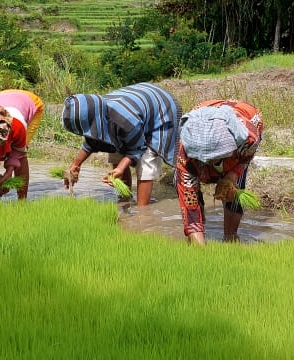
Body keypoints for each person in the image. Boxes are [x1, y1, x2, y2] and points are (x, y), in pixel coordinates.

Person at [61, 83, 181, 206]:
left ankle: (142, 211)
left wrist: (120, 168)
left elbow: (137, 148)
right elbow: (92, 141)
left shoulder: (125, 120)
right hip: (135, 106)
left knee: (146, 161)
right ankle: (125, 200)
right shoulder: (96, 112)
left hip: (160, 108)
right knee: (115, 153)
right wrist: (76, 164)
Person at [174, 99, 264, 245]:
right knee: (190, 196)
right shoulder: (186, 153)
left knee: (233, 191)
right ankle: (197, 239)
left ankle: (230, 237)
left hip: (240, 118)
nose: (209, 164)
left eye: (215, 158)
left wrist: (231, 175)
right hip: (201, 122)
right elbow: (189, 204)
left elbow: (245, 159)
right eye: (204, 161)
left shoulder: (248, 138)